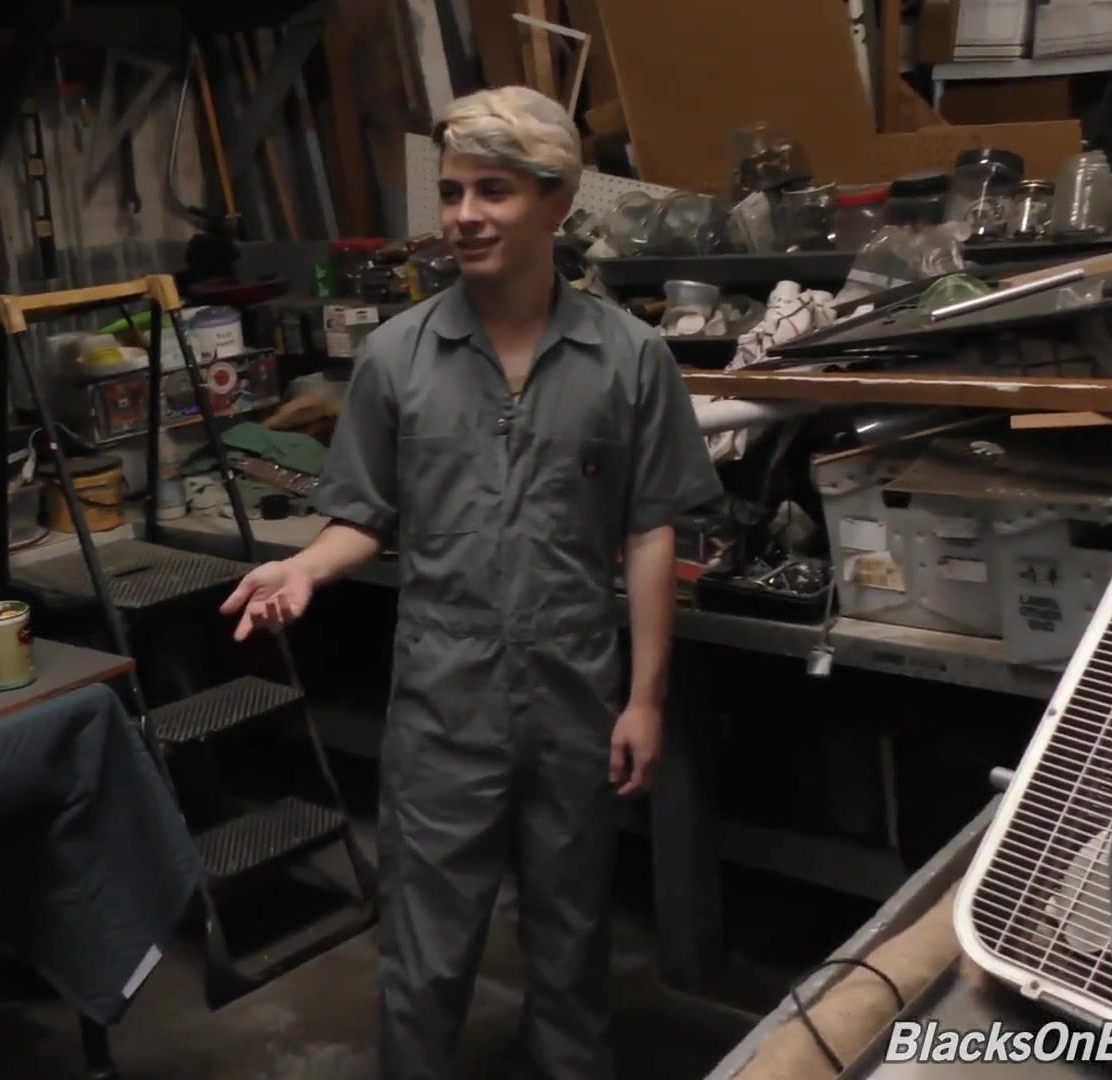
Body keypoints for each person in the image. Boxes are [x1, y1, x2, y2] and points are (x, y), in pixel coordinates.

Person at [220, 86, 722, 1078]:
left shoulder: (628, 358)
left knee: (573, 943)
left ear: (555, 203)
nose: (464, 215)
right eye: (452, 192)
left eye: (493, 190)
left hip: (576, 697)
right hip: (444, 703)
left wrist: (645, 698)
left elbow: (649, 532)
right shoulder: (396, 356)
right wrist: (304, 566)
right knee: (426, 952)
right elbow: (361, 519)